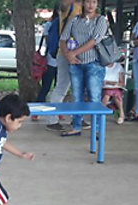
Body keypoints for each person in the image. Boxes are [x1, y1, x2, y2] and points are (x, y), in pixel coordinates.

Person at [59, 0, 108, 137]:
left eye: (94, 2)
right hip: (75, 64)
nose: (91, 5)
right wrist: (67, 55)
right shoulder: (74, 20)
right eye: (88, 2)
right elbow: (63, 38)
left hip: (94, 63)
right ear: (83, 4)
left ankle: (97, 129)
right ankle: (76, 126)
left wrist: (74, 52)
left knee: (94, 97)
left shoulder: (100, 20)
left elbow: (95, 40)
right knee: (76, 96)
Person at [45, 0, 86, 133]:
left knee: (78, 88)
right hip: (65, 52)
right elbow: (63, 5)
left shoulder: (83, 7)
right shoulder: (69, 5)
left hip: (80, 53)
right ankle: (52, 120)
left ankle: (77, 117)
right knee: (62, 87)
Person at [32, 9, 60, 121]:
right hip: (50, 61)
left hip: (62, 62)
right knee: (46, 87)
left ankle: (59, 111)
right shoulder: (50, 24)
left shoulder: (69, 24)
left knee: (59, 89)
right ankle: (37, 111)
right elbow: (48, 41)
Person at [102, 60, 126, 124]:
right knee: (107, 95)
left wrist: (115, 83)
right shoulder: (102, 66)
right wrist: (108, 82)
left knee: (116, 94)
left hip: (115, 87)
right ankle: (121, 114)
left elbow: (122, 82)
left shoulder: (118, 66)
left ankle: (121, 114)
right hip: (104, 87)